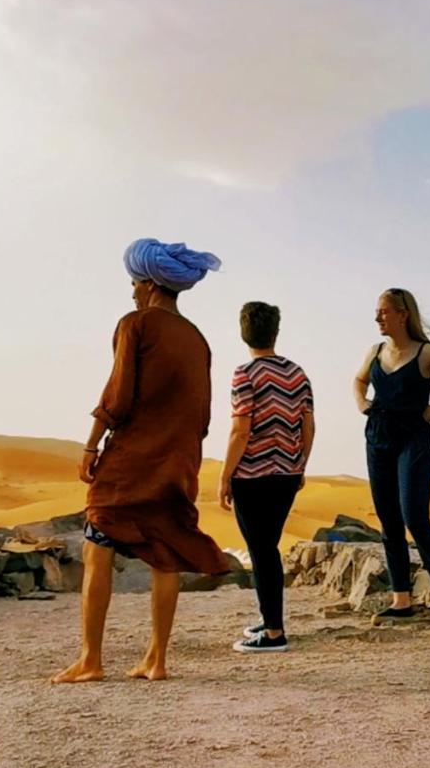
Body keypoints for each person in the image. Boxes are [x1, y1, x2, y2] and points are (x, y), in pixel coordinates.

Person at [52, 238, 228, 684]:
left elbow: (118, 395)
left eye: (133, 282)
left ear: (150, 284)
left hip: (133, 458)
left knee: (97, 546)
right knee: (165, 551)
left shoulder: (136, 324)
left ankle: (91, 659)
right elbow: (202, 413)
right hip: (180, 459)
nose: (131, 291)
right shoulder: (198, 339)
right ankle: (157, 660)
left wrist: (91, 445)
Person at [353, 288, 430, 624]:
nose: (377, 318)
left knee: (415, 516)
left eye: (383, 311)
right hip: (378, 438)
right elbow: (358, 380)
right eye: (377, 312)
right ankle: (401, 600)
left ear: (402, 313)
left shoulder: (426, 353)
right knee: (389, 520)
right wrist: (362, 403)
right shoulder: (375, 351)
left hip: (414, 439)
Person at [218, 302, 315, 653]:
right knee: (266, 548)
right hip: (287, 473)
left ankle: (274, 633)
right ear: (276, 331)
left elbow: (239, 431)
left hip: (252, 475)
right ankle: (269, 617)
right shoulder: (297, 373)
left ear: (244, 332)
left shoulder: (244, 374)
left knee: (261, 550)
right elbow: (308, 424)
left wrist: (225, 475)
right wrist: (300, 463)